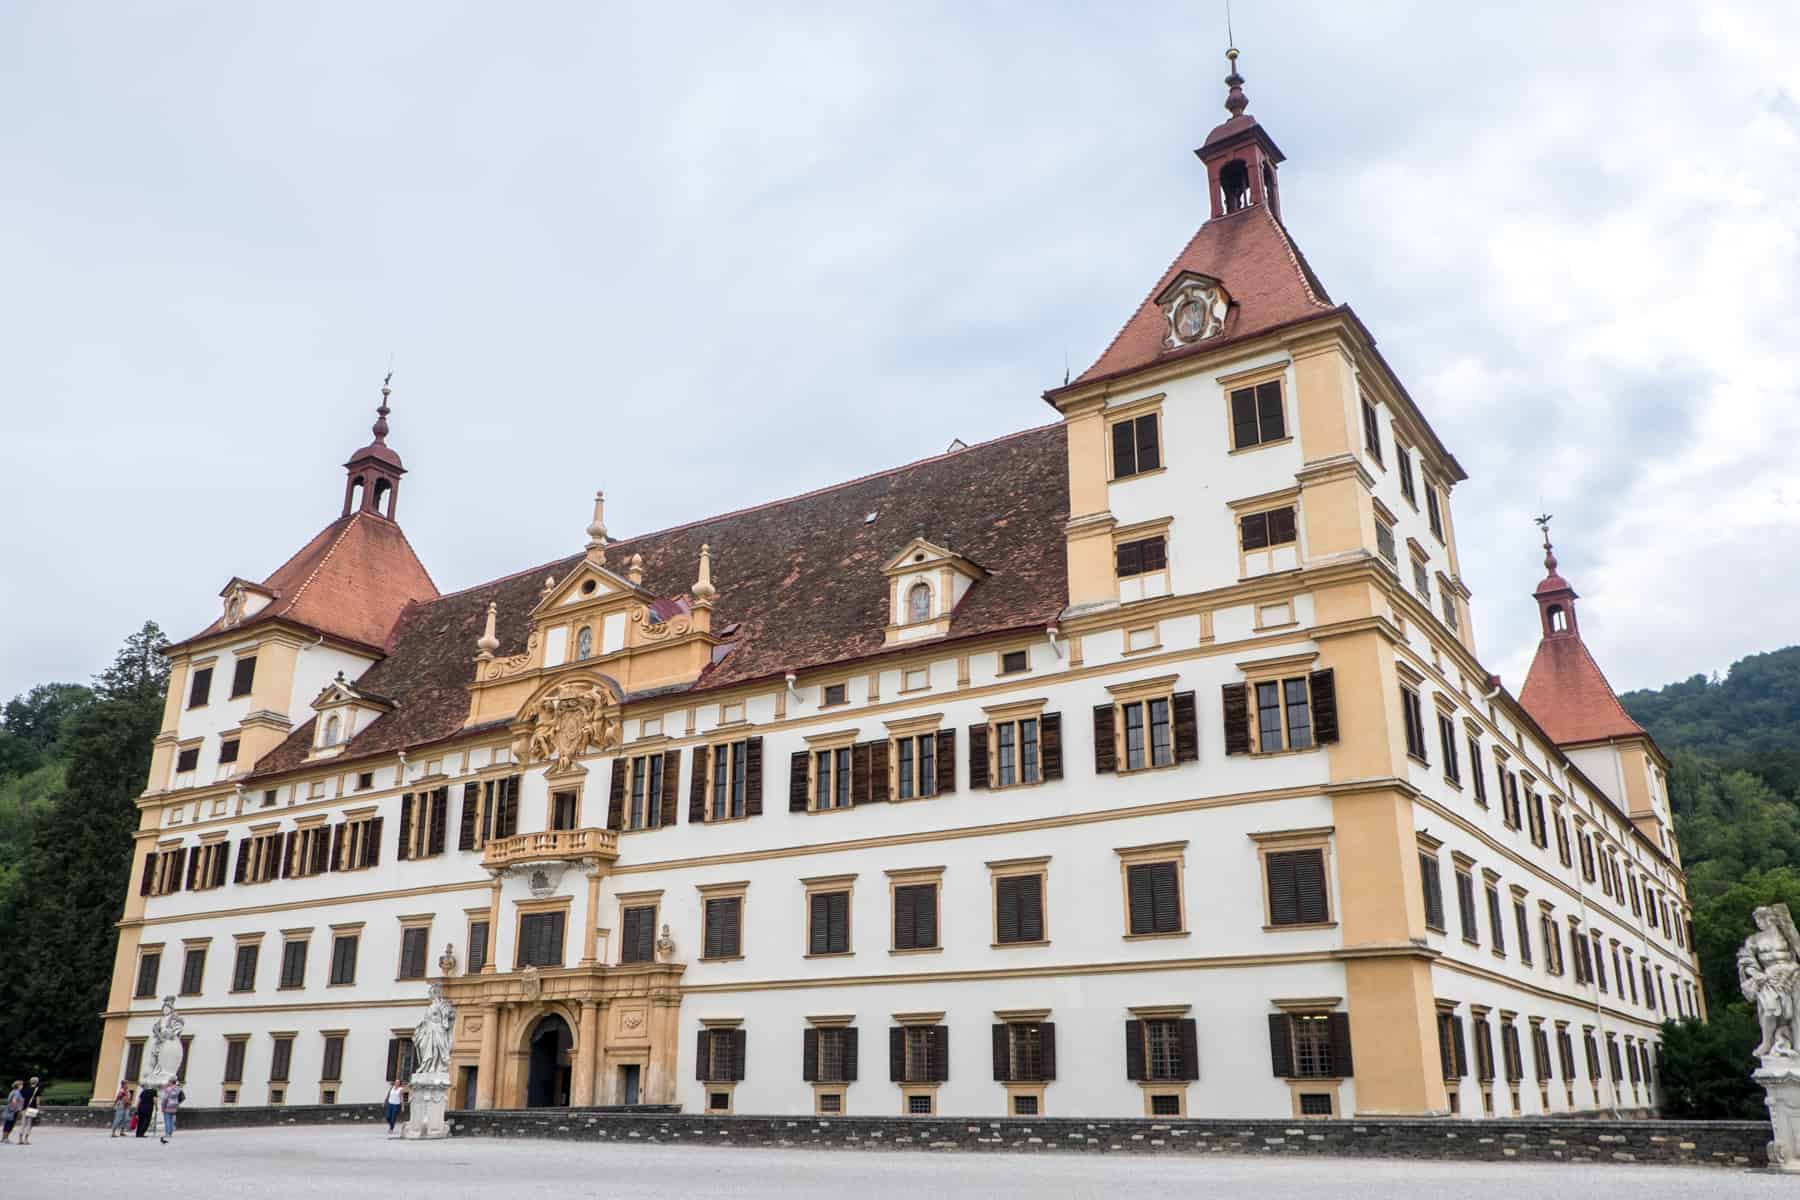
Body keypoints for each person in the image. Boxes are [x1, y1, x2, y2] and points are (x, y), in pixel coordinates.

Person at [16, 1078, 41, 1145]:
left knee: (23, 1124)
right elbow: (38, 1101)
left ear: (30, 1082)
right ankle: (26, 1140)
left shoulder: (26, 1089)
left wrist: (21, 1108)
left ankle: (20, 1139)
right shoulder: (37, 1089)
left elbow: (22, 1099)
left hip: (25, 1108)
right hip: (32, 1108)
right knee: (29, 1124)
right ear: (37, 1082)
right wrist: (38, 1108)